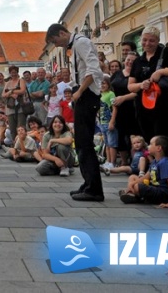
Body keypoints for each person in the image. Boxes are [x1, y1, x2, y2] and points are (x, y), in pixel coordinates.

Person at [46, 23, 104, 201]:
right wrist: (73, 86)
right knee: (80, 142)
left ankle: (94, 190)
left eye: (56, 41)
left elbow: (94, 69)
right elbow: (81, 72)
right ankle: (88, 184)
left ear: (62, 33)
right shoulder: (74, 46)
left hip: (87, 95)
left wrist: (79, 91)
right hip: (82, 93)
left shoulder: (81, 42)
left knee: (84, 143)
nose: (57, 45)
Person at [119, 135, 168, 207]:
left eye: (151, 144)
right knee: (133, 177)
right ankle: (133, 194)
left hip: (162, 193)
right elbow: (146, 177)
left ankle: (134, 195)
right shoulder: (155, 162)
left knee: (137, 186)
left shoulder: (165, 163)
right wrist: (132, 183)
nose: (148, 146)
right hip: (154, 187)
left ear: (158, 148)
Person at [98, 78, 117, 170]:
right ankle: (108, 161)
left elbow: (115, 108)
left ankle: (112, 162)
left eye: (104, 83)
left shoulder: (111, 94)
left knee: (112, 143)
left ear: (108, 85)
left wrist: (112, 121)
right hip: (102, 122)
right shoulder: (100, 94)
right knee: (107, 143)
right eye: (101, 84)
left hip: (109, 121)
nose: (102, 85)